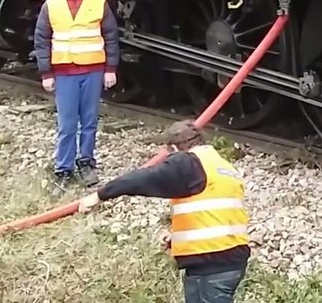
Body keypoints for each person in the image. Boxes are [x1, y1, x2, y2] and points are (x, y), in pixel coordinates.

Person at [78, 120, 251, 303]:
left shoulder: (187, 162)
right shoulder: (220, 165)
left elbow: (142, 179)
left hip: (212, 262)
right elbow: (216, 212)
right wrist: (177, 235)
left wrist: (99, 195)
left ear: (174, 149)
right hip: (229, 259)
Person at [34, 0, 119, 191]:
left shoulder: (99, 3)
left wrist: (110, 69)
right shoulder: (52, 4)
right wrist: (46, 73)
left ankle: (86, 162)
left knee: (89, 121)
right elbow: (41, 40)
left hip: (93, 70)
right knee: (67, 123)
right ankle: (63, 168)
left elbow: (111, 38)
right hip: (65, 73)